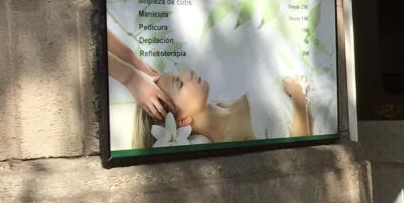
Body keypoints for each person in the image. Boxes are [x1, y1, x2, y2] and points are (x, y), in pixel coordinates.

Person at [134, 70, 315, 148]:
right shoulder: (236, 139)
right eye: (179, 84)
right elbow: (301, 155)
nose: (188, 73)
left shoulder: (224, 103)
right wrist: (298, 94)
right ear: (181, 121)